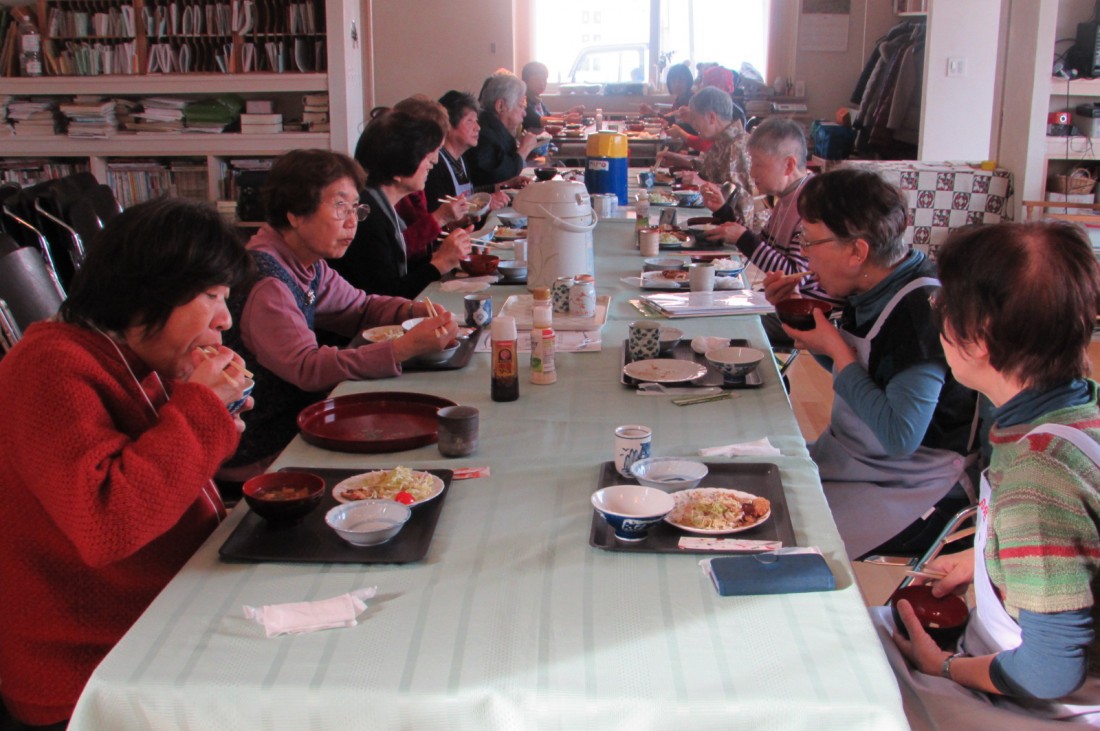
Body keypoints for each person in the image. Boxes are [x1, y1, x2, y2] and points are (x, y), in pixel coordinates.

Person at [0, 197, 252, 727]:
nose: (226, 319)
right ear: (146, 295)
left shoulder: (130, 355)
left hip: (161, 617)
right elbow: (107, 522)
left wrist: (213, 417)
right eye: (212, 296)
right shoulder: (49, 367)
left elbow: (155, 473)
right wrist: (201, 411)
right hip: (90, 676)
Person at [882, 220, 1100, 729]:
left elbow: (1048, 672)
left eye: (945, 307)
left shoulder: (1037, 476)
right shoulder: (1077, 410)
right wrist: (986, 561)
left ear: (977, 339)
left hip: (1044, 701)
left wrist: (946, 668)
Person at [768, 168, 977, 559]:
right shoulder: (876, 284)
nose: (805, 254)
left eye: (810, 241)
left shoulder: (919, 312)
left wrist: (839, 352)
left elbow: (900, 436)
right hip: (859, 461)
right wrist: (806, 328)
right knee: (758, 488)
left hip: (914, 485)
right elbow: (873, 374)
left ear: (857, 252)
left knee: (778, 540)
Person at [221, 149, 457, 480]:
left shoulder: (306, 263)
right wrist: (403, 348)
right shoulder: (266, 281)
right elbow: (308, 368)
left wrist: (411, 309)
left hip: (302, 419)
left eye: (354, 208)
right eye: (339, 207)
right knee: (422, 447)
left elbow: (359, 309)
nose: (351, 222)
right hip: (264, 445)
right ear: (295, 213)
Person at [701, 117, 843, 345]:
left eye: (757, 163)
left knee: (721, 321)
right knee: (710, 304)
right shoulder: (787, 198)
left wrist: (743, 238)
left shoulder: (812, 204)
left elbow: (796, 275)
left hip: (807, 312)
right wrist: (726, 213)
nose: (752, 171)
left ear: (788, 165)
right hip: (782, 303)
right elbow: (763, 244)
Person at [332, 110, 473, 299]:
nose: (434, 161)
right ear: (398, 166)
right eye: (425, 154)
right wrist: (439, 264)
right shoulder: (366, 215)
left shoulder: (380, 204)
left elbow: (395, 269)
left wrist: (448, 254)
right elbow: (386, 296)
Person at [657, 87, 761, 230]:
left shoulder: (738, 147)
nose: (692, 124)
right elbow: (710, 171)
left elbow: (746, 205)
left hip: (739, 234)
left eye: (694, 118)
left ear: (711, 118)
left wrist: (702, 184)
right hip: (720, 220)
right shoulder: (723, 140)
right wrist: (678, 159)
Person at [388, 96, 470, 268]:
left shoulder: (414, 183)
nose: (435, 160)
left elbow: (421, 248)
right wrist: (441, 218)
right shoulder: (396, 182)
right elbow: (397, 251)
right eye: (432, 148)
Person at [425, 90, 510, 214]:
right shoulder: (436, 165)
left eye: (476, 121)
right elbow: (441, 217)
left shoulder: (461, 158)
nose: (478, 127)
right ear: (448, 125)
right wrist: (485, 207)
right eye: (470, 121)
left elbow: (468, 194)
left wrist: (504, 185)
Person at [465, 70, 539, 188]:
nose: (524, 114)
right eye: (520, 106)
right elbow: (498, 176)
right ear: (500, 106)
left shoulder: (495, 128)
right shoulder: (482, 132)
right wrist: (524, 149)